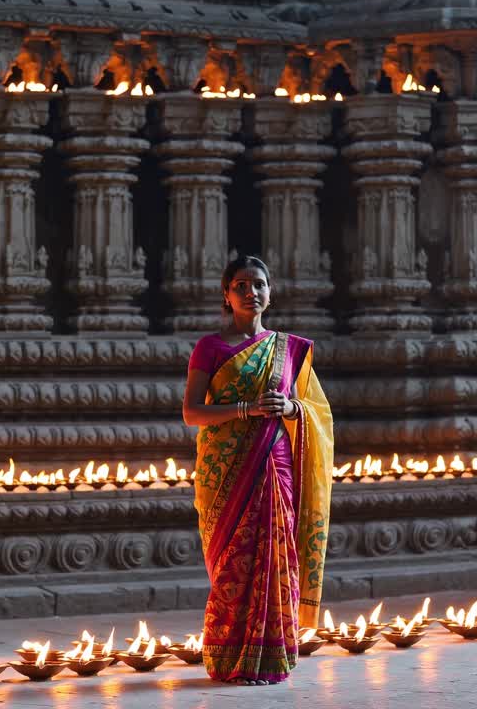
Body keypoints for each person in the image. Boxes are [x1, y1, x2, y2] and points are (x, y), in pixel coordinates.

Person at [182, 255, 334, 685]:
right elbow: (192, 413)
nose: (252, 292)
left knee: (275, 555)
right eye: (242, 285)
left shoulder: (290, 348)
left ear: (271, 292)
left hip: (274, 463)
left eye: (259, 284)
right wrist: (245, 409)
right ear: (226, 295)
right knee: (232, 561)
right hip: (224, 468)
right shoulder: (210, 346)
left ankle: (269, 657)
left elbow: (317, 412)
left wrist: (290, 407)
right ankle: (229, 656)